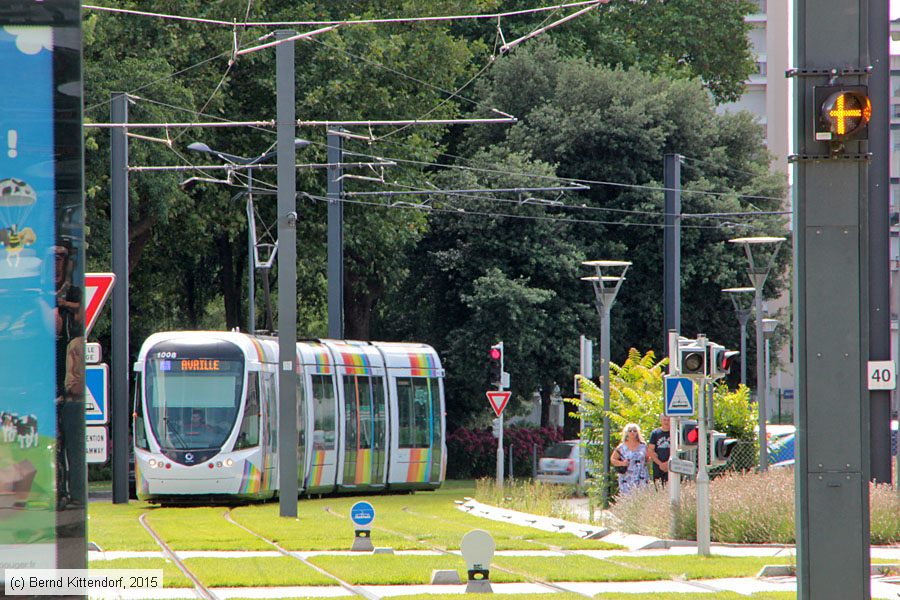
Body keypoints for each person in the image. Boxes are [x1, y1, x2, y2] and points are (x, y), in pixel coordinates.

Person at [611, 422, 650, 494]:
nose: (632, 432)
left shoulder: (643, 446)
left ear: (637, 433)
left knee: (642, 497)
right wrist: (622, 463)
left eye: (634, 431)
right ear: (626, 433)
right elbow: (613, 459)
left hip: (641, 476)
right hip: (626, 477)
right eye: (630, 431)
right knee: (627, 498)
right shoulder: (621, 447)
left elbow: (648, 458)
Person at [647, 415, 671, 486]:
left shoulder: (675, 433)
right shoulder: (655, 433)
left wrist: (668, 463)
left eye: (668, 420)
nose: (666, 422)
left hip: (672, 465)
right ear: (661, 421)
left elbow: (678, 449)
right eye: (664, 420)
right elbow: (650, 450)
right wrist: (660, 464)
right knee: (658, 487)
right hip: (658, 465)